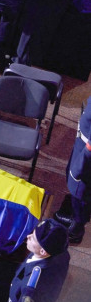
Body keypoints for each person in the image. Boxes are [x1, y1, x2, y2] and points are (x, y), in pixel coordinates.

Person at [5, 219, 70, 302]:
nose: (28, 236)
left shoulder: (31, 287)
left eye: (33, 238)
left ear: (43, 251)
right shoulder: (61, 253)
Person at [54, 95, 91, 244]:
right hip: (82, 143)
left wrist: (77, 171)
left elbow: (88, 155)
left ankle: (76, 229)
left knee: (80, 192)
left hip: (86, 158)